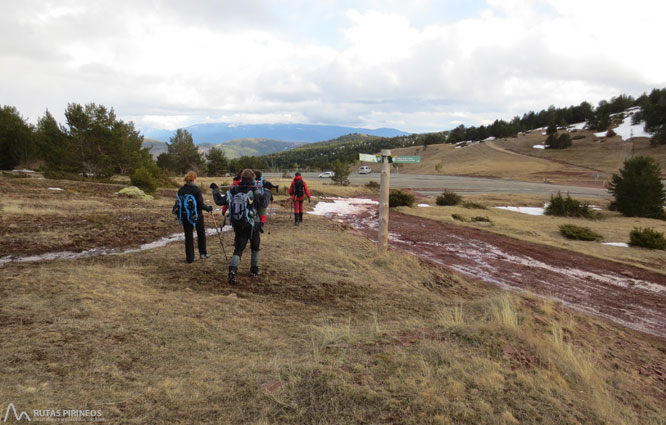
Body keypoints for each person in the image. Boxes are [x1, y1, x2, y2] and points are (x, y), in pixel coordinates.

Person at [210, 169, 265, 286]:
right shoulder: (254, 190)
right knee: (255, 246)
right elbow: (263, 203)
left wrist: (215, 190)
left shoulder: (234, 190)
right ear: (253, 178)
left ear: (242, 178)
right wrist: (268, 190)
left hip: (238, 223)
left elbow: (219, 201)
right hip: (253, 223)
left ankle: (233, 269)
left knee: (239, 247)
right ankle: (254, 269)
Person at [177, 170, 212, 263]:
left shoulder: (181, 189)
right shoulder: (196, 189)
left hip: (185, 215)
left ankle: (190, 257)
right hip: (197, 215)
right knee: (201, 233)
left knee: (188, 235)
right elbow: (200, 204)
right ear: (194, 179)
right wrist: (208, 208)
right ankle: (203, 253)